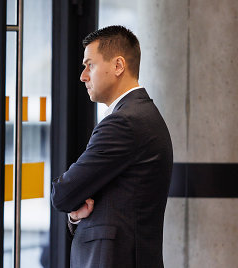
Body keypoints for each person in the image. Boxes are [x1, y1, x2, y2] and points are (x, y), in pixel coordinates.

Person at [51, 25, 173, 268]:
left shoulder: (124, 122)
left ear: (118, 66)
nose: (83, 75)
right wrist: (75, 214)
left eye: (90, 65)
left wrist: (72, 205)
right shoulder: (138, 115)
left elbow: (63, 194)